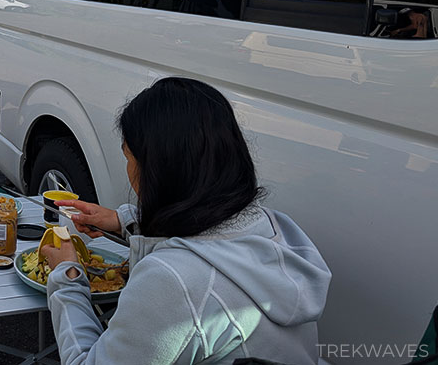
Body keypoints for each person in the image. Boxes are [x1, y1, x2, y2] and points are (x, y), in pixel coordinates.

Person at [42, 77, 331, 364]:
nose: (129, 170)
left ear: (158, 171)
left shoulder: (172, 282)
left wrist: (67, 276)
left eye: (129, 158)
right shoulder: (269, 227)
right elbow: (209, 242)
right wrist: (123, 221)